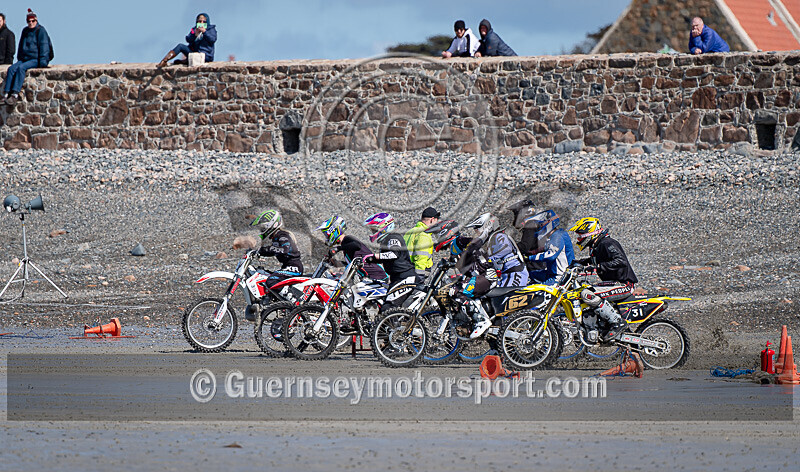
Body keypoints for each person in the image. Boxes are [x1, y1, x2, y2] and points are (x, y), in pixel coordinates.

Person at [458, 213, 529, 338]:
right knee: (494, 304)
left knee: (501, 306)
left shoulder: (499, 236)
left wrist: (485, 260)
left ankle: (505, 339)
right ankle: (499, 340)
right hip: (508, 275)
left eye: (477, 229)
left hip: (514, 274)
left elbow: (503, 251)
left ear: (487, 226)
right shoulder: (494, 238)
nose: (477, 232)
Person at [569, 217, 638, 341]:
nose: (579, 239)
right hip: (614, 284)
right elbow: (597, 260)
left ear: (589, 233)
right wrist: (580, 263)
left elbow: (620, 261)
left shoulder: (607, 243)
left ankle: (617, 323)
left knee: (586, 294)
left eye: (580, 235)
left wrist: (598, 267)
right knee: (584, 289)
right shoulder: (597, 245)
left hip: (624, 284)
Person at [249, 210, 304, 320]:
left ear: (272, 225)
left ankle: (296, 302)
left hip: (294, 267)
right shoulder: (276, 236)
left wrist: (264, 250)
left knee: (271, 280)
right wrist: (258, 251)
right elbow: (274, 251)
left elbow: (285, 249)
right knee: (264, 275)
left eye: (263, 228)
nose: (262, 230)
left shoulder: (282, 235)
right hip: (287, 266)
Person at [363, 212, 420, 309]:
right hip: (396, 278)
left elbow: (394, 254)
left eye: (374, 230)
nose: (372, 232)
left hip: (404, 277)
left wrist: (375, 256)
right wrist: (370, 260)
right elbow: (387, 258)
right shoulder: (387, 240)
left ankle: (396, 325)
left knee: (388, 308)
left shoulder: (393, 238)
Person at [317, 215, 388, 282]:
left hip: (378, 276)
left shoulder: (348, 239)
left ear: (333, 231)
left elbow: (357, 245)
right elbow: (354, 263)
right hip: (371, 277)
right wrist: (337, 263)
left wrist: (338, 248)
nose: (326, 237)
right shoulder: (345, 245)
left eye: (326, 235)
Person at [2, 9, 51, 106]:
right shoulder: (25, 31)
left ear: (36, 21)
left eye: (33, 21)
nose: (31, 23)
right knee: (11, 69)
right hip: (25, 58)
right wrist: (20, 58)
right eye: (29, 21)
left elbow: (44, 46)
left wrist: (43, 62)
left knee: (21, 68)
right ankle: (6, 93)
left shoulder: (40, 31)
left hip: (35, 59)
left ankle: (15, 94)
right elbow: (21, 45)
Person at [523, 210, 575, 285]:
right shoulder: (556, 234)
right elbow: (548, 248)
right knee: (529, 274)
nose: (539, 228)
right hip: (552, 273)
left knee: (533, 291)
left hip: (559, 277)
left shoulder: (557, 236)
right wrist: (533, 252)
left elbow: (550, 255)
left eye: (540, 225)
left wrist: (530, 258)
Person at [403, 206, 440, 276]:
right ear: (432, 220)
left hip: (406, 269)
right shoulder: (424, 235)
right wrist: (419, 277)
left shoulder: (410, 231)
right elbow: (421, 257)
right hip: (415, 272)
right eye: (436, 220)